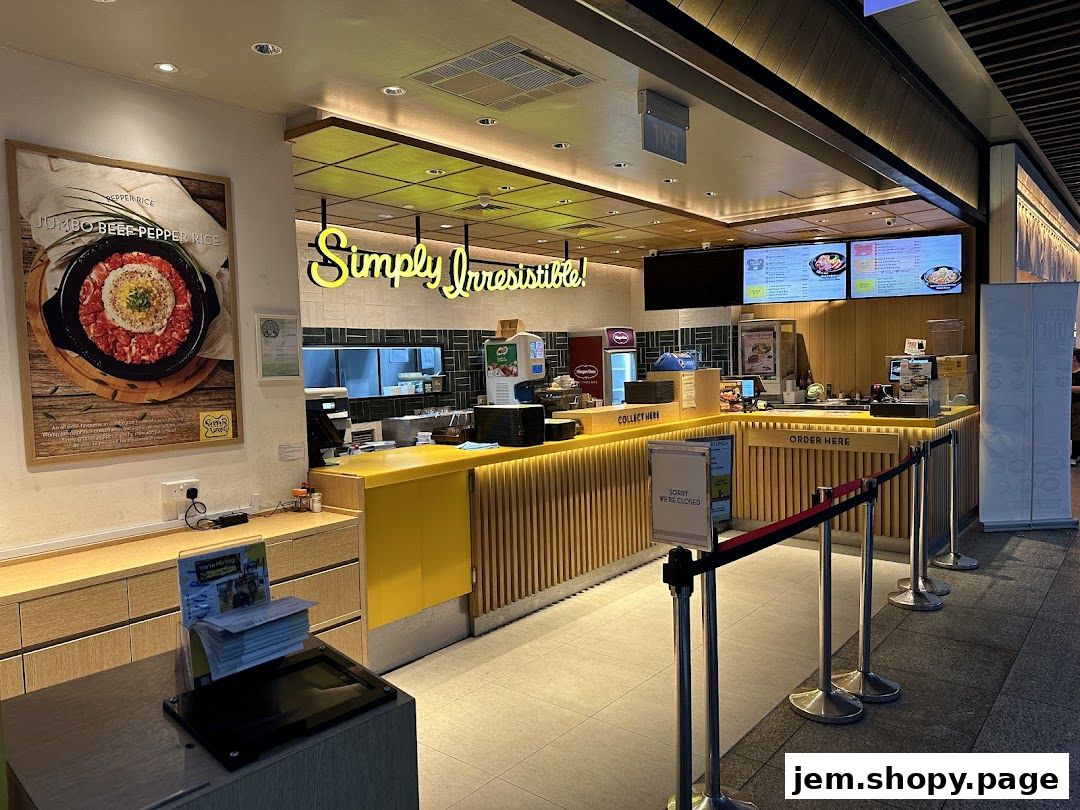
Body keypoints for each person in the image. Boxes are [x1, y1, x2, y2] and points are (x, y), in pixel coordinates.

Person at [1071, 349, 1080, 465]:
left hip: (1078, 405)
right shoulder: (1068, 372)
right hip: (1070, 405)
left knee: (1076, 432)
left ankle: (1074, 456)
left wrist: (1067, 387)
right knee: (1073, 432)